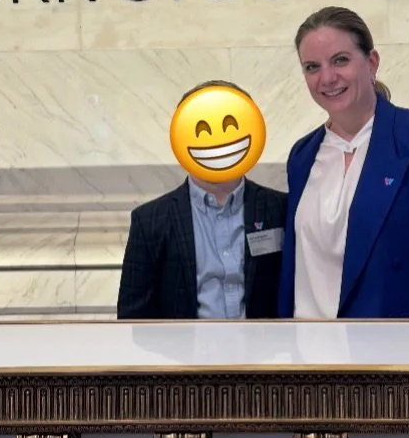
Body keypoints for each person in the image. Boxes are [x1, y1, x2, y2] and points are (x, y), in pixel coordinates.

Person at [279, 7, 409, 322]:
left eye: (340, 60)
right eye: (312, 67)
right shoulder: (302, 156)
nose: (327, 77)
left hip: (396, 360)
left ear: (371, 62)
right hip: (310, 359)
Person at [117, 81, 287, 320]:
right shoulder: (150, 220)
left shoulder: (280, 209)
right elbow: (132, 315)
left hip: (264, 353)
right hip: (186, 355)